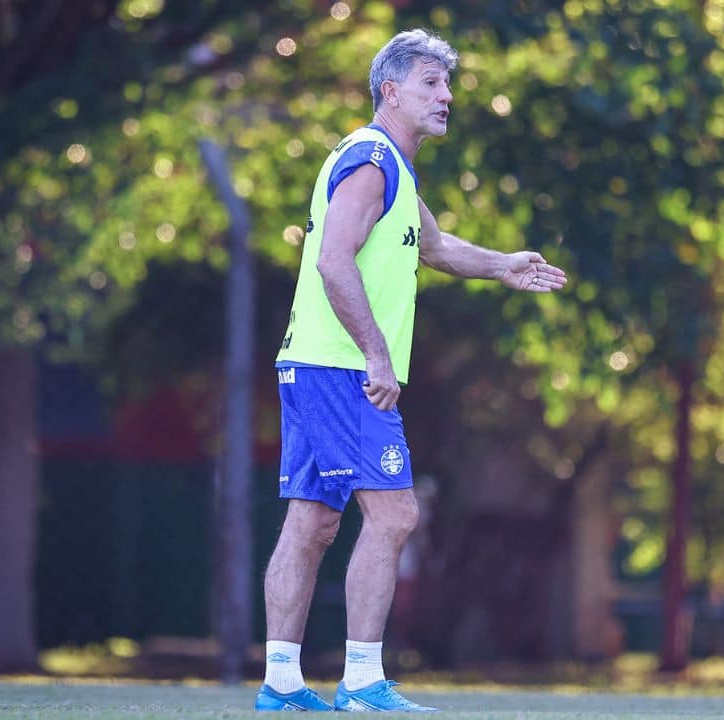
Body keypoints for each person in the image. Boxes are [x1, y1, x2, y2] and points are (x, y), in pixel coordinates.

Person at [255, 28, 567, 713]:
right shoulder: (370, 160)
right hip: (340, 369)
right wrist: (374, 353)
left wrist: (503, 264)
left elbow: (433, 244)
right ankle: (363, 682)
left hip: (311, 366)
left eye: (447, 84)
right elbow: (335, 259)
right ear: (389, 90)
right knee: (395, 515)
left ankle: (281, 684)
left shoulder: (391, 164)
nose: (446, 96)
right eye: (431, 83)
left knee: (311, 524)